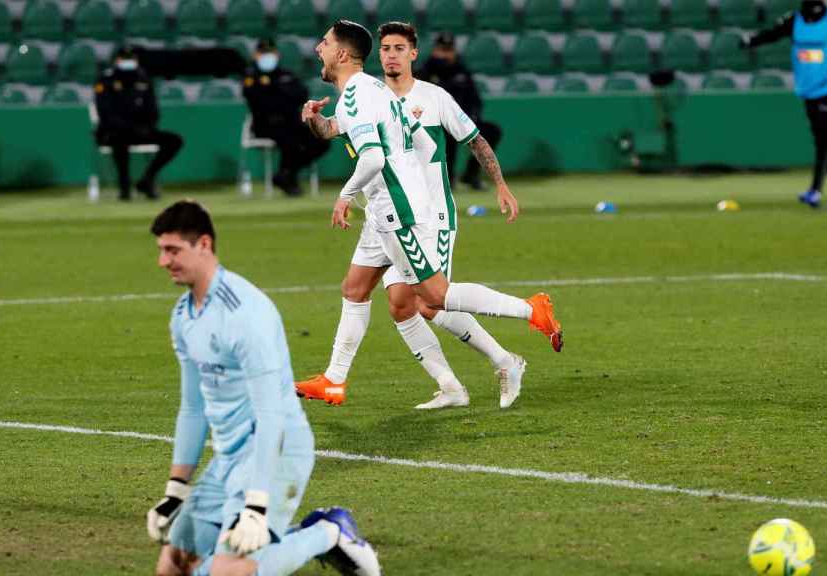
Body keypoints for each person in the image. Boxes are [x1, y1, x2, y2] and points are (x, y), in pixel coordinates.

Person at [294, 20, 563, 408]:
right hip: (383, 211)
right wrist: (315, 121)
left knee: (433, 297)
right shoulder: (370, 89)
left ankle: (530, 310)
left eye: (323, 43)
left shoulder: (377, 93)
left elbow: (372, 156)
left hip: (402, 210)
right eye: (385, 47)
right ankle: (336, 379)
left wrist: (344, 195)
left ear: (341, 53)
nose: (317, 48)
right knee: (358, 290)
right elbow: (339, 128)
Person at [146, 200, 381, 576]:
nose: (163, 261)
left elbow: (272, 411)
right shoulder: (183, 315)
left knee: (228, 572)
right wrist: (176, 489)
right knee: (174, 565)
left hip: (277, 451)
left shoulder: (245, 313)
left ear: (204, 244)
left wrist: (256, 504)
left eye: (173, 250)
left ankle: (329, 532)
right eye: (161, 250)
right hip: (228, 460)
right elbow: (192, 407)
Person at [741, 0, 827, 209]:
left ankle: (815, 190)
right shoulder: (794, 19)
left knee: (824, 136)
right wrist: (751, 41)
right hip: (809, 88)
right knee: (825, 139)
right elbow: (774, 33)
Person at [242, 38, 331, 197]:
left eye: (270, 53)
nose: (267, 57)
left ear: (277, 55)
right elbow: (257, 101)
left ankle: (286, 174)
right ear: (256, 55)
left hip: (291, 122)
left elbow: (302, 94)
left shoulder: (286, 74)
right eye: (263, 53)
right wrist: (281, 95)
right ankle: (287, 177)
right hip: (266, 125)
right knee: (290, 141)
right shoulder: (251, 77)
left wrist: (275, 93)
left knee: (321, 140)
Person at [94, 47, 183, 201]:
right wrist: (129, 127)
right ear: (117, 61)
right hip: (114, 132)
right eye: (125, 59)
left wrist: (147, 127)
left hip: (141, 131)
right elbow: (105, 113)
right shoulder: (106, 80)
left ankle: (147, 179)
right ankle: (124, 187)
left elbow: (153, 109)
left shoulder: (143, 79)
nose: (129, 62)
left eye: (131, 59)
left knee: (174, 140)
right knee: (119, 141)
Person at [419, 31, 503, 192]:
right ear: (435, 51)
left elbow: (475, 99)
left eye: (449, 50)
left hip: (464, 121)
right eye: (442, 50)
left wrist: (473, 117)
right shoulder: (425, 71)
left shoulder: (461, 70)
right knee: (446, 135)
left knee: (492, 131)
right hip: (437, 124)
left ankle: (471, 175)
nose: (445, 54)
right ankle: (447, 178)